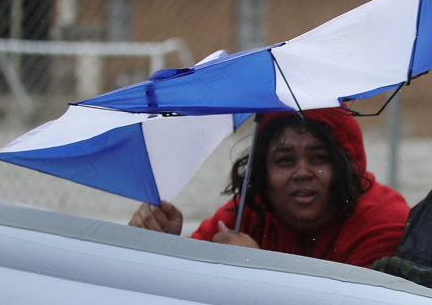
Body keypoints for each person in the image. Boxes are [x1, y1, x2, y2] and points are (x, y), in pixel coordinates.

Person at [128, 105, 409, 267]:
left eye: (319, 158)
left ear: (345, 166)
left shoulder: (383, 223)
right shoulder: (250, 213)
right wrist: (163, 245)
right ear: (263, 172)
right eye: (285, 160)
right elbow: (187, 283)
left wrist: (259, 270)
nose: (302, 173)